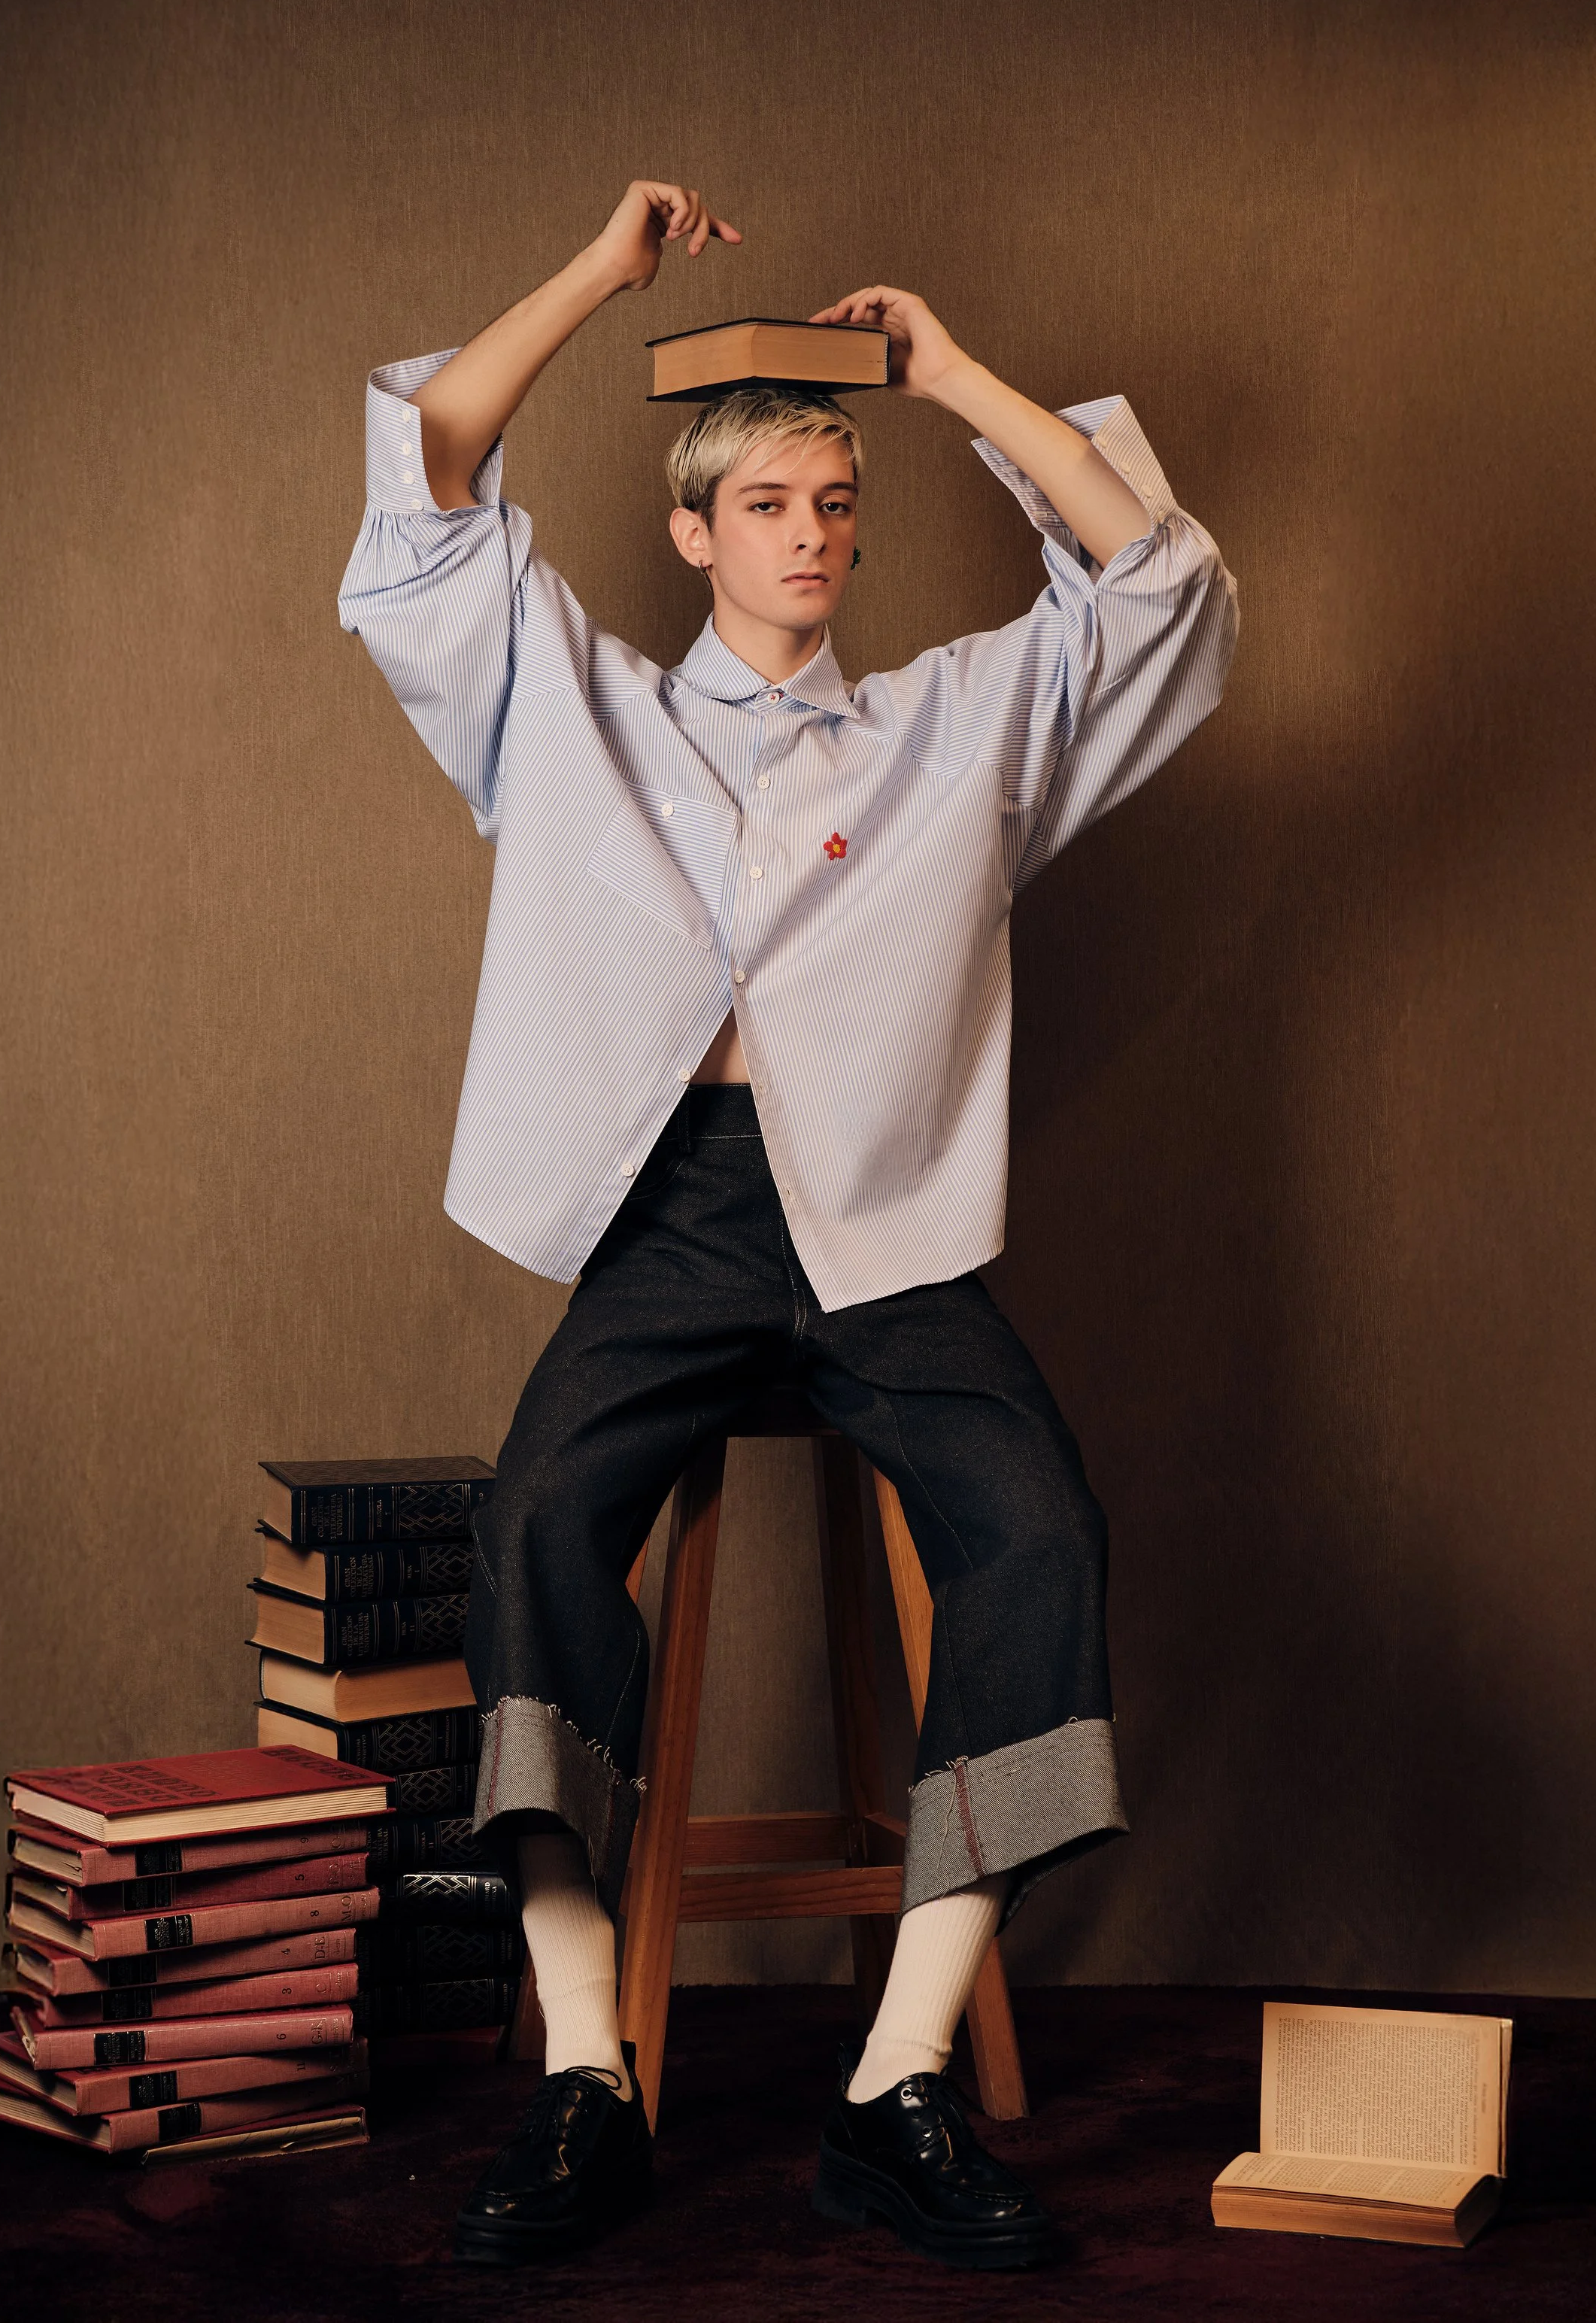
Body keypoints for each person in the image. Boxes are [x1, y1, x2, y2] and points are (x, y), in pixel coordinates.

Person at [338, 178, 1237, 2270]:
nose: (814, 530)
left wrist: (948, 380)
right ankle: (586, 2071)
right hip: (670, 1219)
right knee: (535, 1523)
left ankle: (893, 2080)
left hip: (891, 1234)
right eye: (766, 500)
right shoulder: (575, 712)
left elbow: (1156, 583)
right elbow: (433, 470)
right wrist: (601, 272)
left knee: (1036, 1529)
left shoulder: (954, 726)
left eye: (836, 497)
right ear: (693, 532)